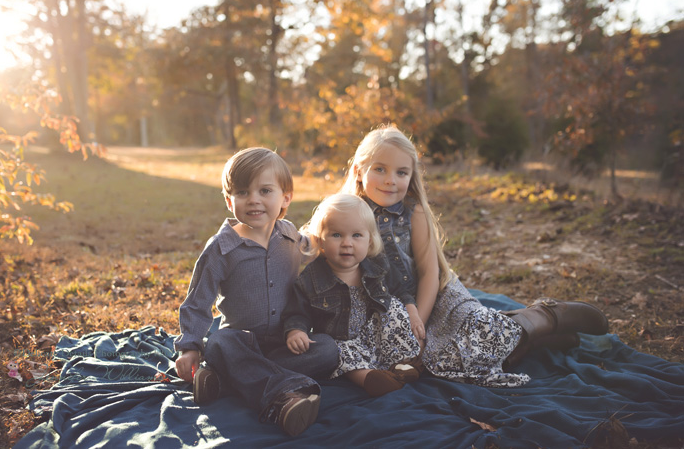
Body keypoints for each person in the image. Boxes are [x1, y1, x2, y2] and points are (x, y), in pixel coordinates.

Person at [341, 125, 609, 387]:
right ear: (358, 171)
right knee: (443, 363)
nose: (391, 180)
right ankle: (536, 338)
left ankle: (544, 317)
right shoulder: (346, 214)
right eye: (380, 169)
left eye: (401, 172)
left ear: (411, 177)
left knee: (480, 337)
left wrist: (418, 326)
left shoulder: (415, 212)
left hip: (432, 299)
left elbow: (429, 274)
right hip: (388, 311)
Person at [173, 147, 339, 436]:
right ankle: (284, 397)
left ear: (285, 197)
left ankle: (226, 381)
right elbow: (198, 302)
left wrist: (336, 242)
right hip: (239, 342)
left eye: (264, 190)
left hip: (284, 341)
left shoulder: (290, 236)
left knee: (328, 349)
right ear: (229, 200)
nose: (254, 200)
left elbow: (315, 250)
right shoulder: (221, 249)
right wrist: (189, 346)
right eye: (242, 192)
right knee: (219, 344)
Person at [283, 193, 422, 397]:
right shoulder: (311, 278)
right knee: (337, 351)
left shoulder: (378, 266)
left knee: (394, 309)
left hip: (375, 332)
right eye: (336, 235)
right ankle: (368, 378)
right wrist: (295, 331)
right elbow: (296, 311)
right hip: (341, 340)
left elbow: (400, 290)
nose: (347, 243)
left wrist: (412, 311)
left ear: (369, 240)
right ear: (320, 240)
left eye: (356, 235)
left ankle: (402, 364)